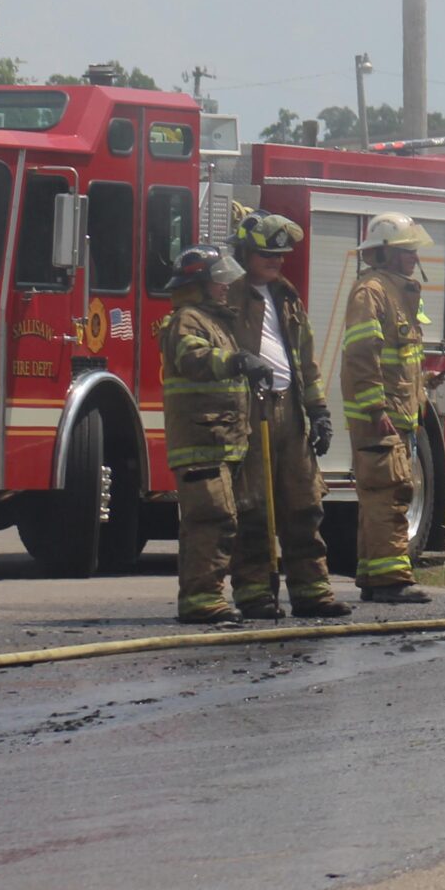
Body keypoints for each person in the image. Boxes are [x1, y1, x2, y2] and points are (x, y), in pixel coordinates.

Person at [225, 211, 351, 619]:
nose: (276, 261)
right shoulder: (229, 294)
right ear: (244, 253)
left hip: (289, 410)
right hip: (251, 411)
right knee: (255, 507)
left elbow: (306, 360)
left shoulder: (286, 296)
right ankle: (256, 595)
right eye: (267, 254)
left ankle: (312, 593)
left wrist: (318, 412)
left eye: (280, 255)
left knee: (303, 503)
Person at [158, 246, 273, 623]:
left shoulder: (216, 321)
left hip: (222, 440)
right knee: (211, 518)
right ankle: (201, 600)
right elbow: (193, 358)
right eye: (217, 280)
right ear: (198, 284)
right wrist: (238, 360)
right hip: (200, 442)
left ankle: (228, 596)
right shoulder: (187, 320)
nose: (225, 286)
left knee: (233, 517)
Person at [339, 212, 433, 604]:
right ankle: (392, 580)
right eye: (405, 249)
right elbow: (362, 355)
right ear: (383, 253)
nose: (413, 256)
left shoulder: (399, 292)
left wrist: (421, 394)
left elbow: (402, 358)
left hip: (399, 412)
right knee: (390, 493)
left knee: (385, 493)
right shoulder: (372, 292)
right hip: (381, 414)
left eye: (413, 249)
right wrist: (375, 409)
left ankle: (374, 575)